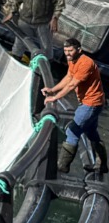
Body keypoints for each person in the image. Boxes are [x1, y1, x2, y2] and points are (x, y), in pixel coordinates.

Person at [44, 37, 105, 175]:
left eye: (70, 51)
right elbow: (68, 77)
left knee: (72, 131)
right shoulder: (72, 60)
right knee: (91, 133)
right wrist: (53, 89)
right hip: (90, 103)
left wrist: (55, 97)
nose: (67, 54)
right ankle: (102, 165)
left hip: (91, 104)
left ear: (79, 50)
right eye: (65, 51)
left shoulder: (86, 63)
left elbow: (72, 84)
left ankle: (62, 167)